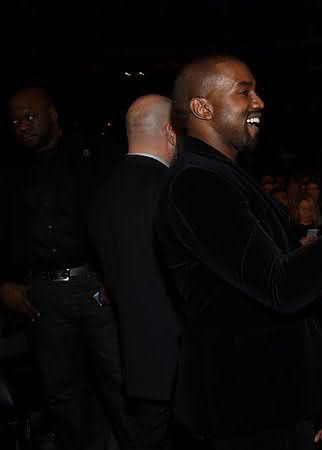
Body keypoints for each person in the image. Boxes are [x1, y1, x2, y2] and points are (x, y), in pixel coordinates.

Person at [154, 55, 322, 450]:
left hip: (272, 401)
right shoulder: (195, 183)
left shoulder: (224, 177)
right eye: (244, 91)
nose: (259, 102)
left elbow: (286, 298)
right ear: (202, 108)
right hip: (244, 410)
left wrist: (315, 393)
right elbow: (281, 284)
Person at [0, 87, 131, 450]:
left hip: (94, 283)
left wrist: (113, 273)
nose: (22, 126)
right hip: (41, 294)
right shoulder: (10, 169)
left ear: (52, 114)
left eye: (29, 117)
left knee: (118, 381)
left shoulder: (91, 154)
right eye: (15, 121)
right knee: (63, 392)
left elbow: (117, 217)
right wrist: (5, 282)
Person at [89, 95, 180, 450]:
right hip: (183, 361)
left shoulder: (101, 194)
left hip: (134, 360)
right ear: (171, 132)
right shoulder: (172, 190)